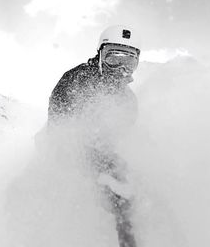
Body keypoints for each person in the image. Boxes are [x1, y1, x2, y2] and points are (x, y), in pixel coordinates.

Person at [48, 25, 141, 247]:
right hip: (67, 146)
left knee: (126, 179)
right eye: (113, 58)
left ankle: (130, 226)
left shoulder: (128, 99)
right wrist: (82, 154)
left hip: (103, 150)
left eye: (129, 63)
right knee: (105, 180)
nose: (120, 69)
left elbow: (125, 134)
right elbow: (58, 124)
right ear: (100, 54)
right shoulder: (76, 80)